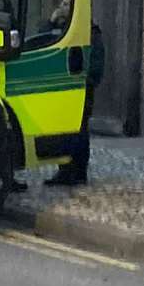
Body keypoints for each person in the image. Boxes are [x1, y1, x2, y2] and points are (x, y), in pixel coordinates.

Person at [47, 20, 105, 187]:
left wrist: (88, 82)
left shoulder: (92, 34)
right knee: (67, 128)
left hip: (82, 88)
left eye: (67, 3)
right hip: (65, 87)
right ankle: (67, 170)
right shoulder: (61, 29)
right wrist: (52, 21)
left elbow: (96, 64)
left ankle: (77, 171)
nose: (65, 7)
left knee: (80, 129)